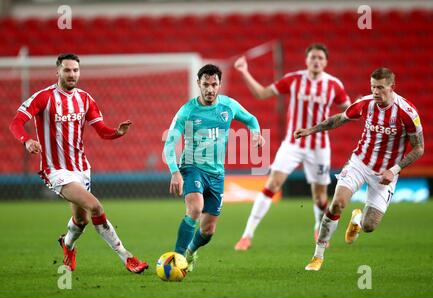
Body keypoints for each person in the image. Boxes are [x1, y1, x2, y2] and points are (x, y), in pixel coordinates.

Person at [9, 53, 149, 273]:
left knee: (81, 220)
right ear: (58, 72)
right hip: (56, 169)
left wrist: (117, 133)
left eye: (75, 70)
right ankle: (127, 258)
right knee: (95, 207)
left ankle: (67, 244)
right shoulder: (43, 97)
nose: (72, 74)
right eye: (67, 70)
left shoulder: (85, 98)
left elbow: (101, 130)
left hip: (81, 168)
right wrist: (26, 140)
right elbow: (16, 122)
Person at [294, 67, 424, 271]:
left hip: (386, 173)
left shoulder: (407, 113)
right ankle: (318, 256)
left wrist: (394, 170)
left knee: (370, 225)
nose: (375, 92)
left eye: (380, 88)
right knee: (337, 204)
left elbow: (419, 148)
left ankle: (357, 221)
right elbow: (339, 118)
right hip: (359, 163)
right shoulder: (365, 104)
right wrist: (312, 130)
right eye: (373, 87)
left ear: (392, 87)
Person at [233, 43, 351, 250]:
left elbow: (347, 109)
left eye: (320, 58)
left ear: (326, 62)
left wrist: (361, 105)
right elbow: (262, 94)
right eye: (313, 57)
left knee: (320, 197)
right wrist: (244, 71)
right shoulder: (294, 79)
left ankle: (319, 228)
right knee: (272, 185)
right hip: (292, 143)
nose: (316, 61)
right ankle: (247, 235)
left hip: (319, 146)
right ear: (306, 60)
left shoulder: (334, 85)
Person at [163, 64, 265, 271]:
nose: (210, 89)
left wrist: (256, 132)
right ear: (198, 84)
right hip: (192, 167)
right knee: (195, 209)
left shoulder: (228, 106)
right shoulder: (187, 111)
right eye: (206, 84)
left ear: (219, 84)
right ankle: (177, 259)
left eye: (214, 84)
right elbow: (169, 143)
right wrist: (175, 171)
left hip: (217, 174)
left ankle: (191, 252)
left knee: (208, 230)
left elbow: (251, 119)